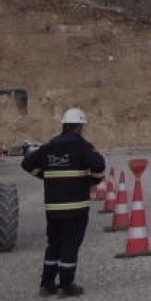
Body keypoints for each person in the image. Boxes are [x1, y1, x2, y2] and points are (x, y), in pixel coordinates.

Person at [21, 107, 106, 297]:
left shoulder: (50, 146)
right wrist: (92, 180)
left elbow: (27, 163)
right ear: (79, 127)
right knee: (70, 245)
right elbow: (99, 165)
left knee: (53, 244)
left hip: (53, 208)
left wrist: (45, 176)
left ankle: (47, 285)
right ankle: (66, 286)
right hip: (76, 206)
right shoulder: (82, 146)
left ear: (64, 125)